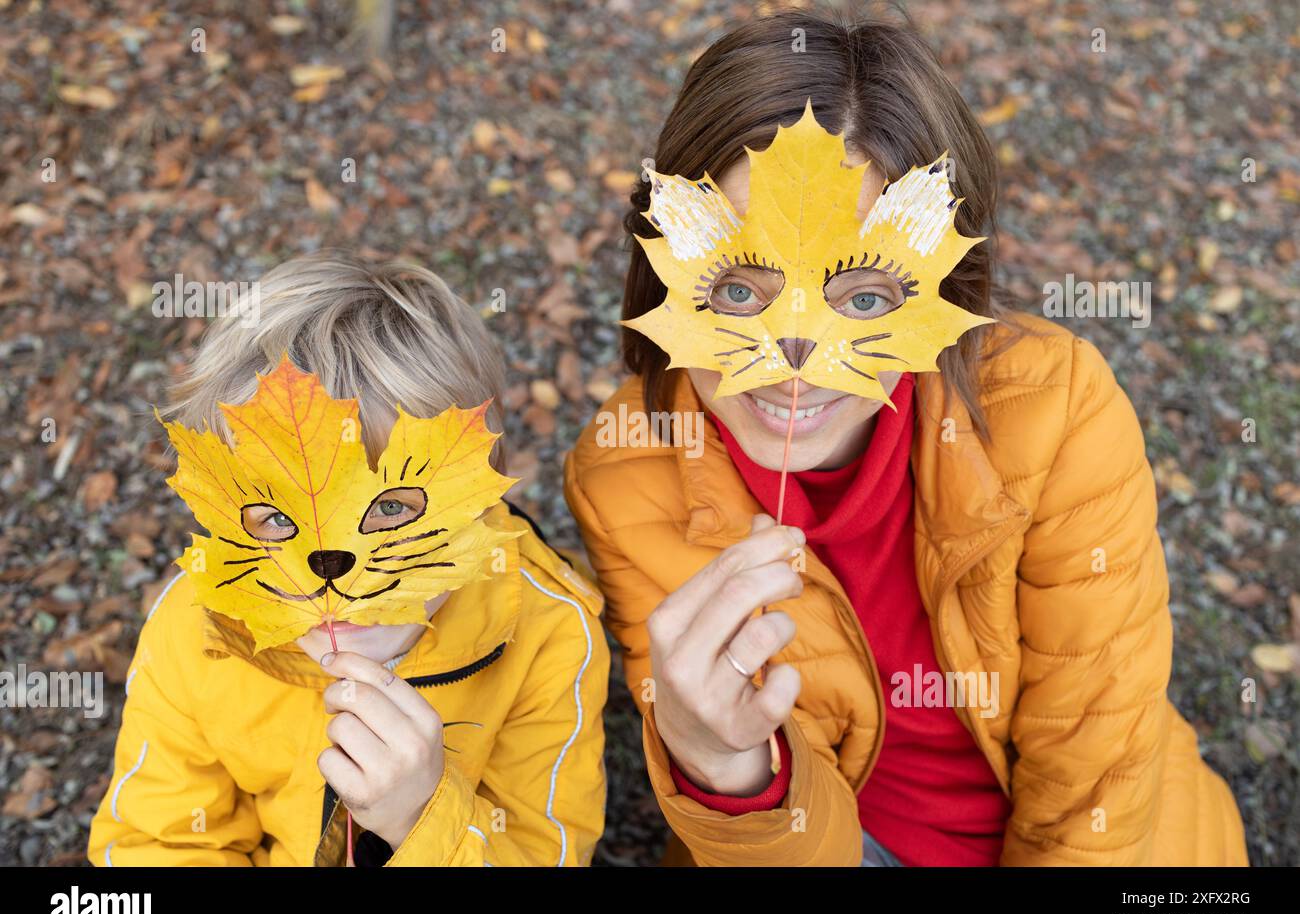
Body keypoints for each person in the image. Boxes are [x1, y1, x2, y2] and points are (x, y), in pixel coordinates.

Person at [563, 9, 1247, 866]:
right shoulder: (626, 478)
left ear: (945, 287)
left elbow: (1098, 772)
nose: (795, 364)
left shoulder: (1057, 411)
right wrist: (728, 770)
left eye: (865, 299)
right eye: (740, 292)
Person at [89, 251, 609, 866]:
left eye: (390, 508)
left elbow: (543, 850)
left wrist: (419, 820)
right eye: (279, 518)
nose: (331, 569)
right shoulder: (196, 629)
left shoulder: (547, 630)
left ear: (478, 486)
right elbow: (158, 844)